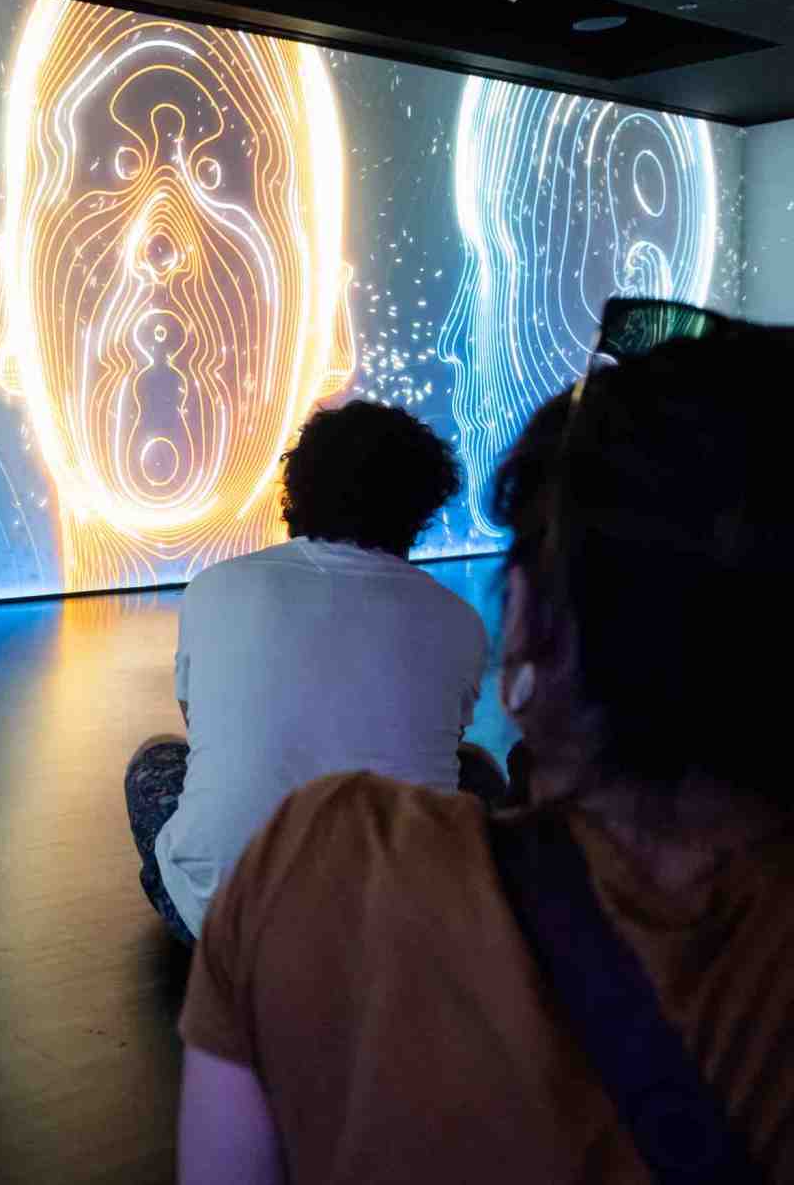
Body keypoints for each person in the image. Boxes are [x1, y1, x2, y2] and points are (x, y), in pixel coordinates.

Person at [177, 325, 794, 1182]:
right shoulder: (451, 623)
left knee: (158, 770)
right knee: (465, 763)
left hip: (227, 897)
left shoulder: (317, 852)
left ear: (531, 622)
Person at [125, 399, 495, 944]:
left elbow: (197, 725)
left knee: (156, 759)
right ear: (422, 506)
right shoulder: (457, 620)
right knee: (477, 771)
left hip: (223, 928)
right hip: (401, 938)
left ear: (297, 490)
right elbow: (444, 740)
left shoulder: (217, 587)